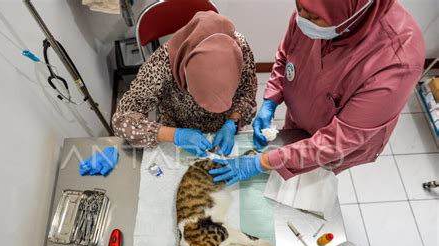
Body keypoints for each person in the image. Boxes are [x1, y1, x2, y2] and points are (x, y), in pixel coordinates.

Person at [210, 0, 425, 185]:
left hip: (339, 140)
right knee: (290, 157)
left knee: (315, 179)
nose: (302, 19)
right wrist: (270, 100)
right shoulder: (315, 12)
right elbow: (287, 54)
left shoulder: (397, 61)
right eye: (300, 8)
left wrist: (263, 162)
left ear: (351, 14)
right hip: (303, 114)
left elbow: (336, 142)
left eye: (313, 17)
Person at [112, 11, 257, 157]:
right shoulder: (161, 65)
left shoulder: (239, 48)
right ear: (185, 75)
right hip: (178, 128)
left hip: (223, 126)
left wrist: (232, 122)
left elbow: (248, 91)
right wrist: (175, 135)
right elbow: (121, 121)